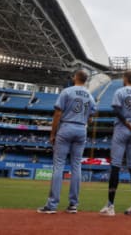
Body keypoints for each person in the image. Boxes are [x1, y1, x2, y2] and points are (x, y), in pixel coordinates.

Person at [38, 70, 97, 214]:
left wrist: (53, 133)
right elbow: (91, 118)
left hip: (66, 127)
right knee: (76, 166)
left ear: (75, 78)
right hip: (81, 129)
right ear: (86, 80)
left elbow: (58, 113)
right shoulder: (90, 96)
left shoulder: (67, 91)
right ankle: (73, 205)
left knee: (58, 165)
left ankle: (52, 205)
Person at [99, 70, 131, 217]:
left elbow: (117, 110)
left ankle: (110, 206)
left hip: (122, 128)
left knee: (116, 166)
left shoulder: (120, 91)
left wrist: (127, 124)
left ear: (125, 78)